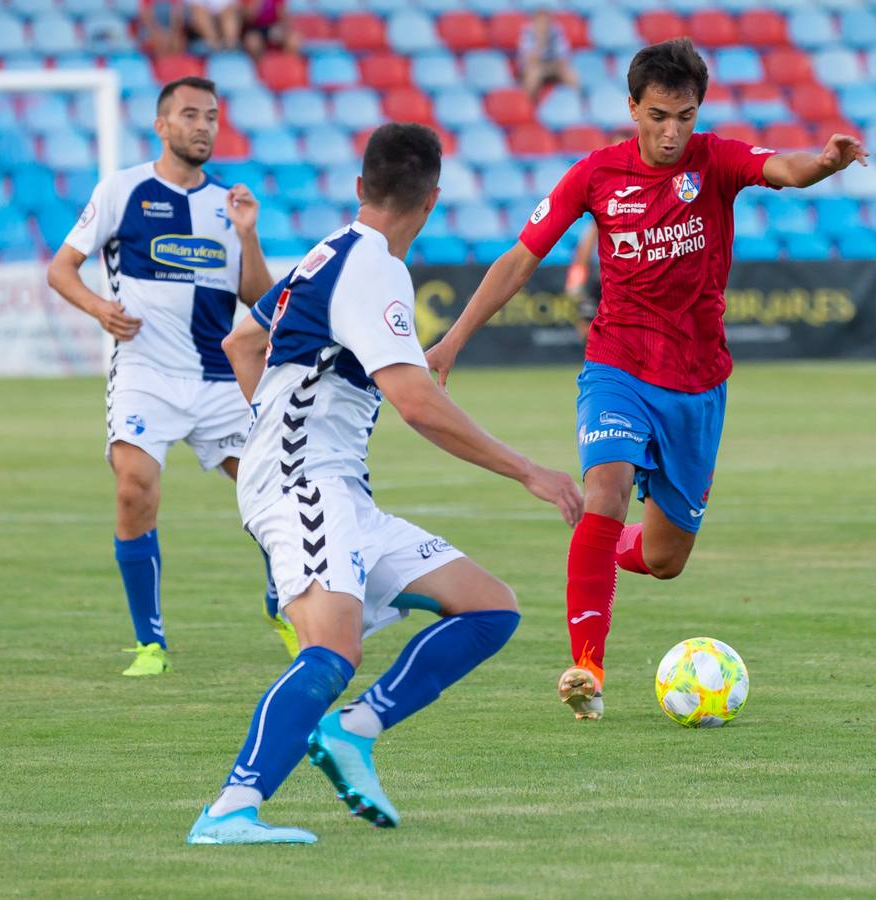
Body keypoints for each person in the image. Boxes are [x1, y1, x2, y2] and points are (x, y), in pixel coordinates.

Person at [421, 39, 869, 721]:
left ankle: (606, 547)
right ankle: (586, 667)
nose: (670, 133)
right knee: (606, 486)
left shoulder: (713, 160)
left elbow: (785, 165)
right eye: (658, 115)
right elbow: (520, 257)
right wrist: (451, 341)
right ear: (631, 107)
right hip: (617, 366)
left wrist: (827, 163)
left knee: (663, 558)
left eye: (683, 117)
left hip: (697, 385)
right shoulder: (596, 175)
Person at [186, 123, 583, 845]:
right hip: (307, 482)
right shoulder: (374, 270)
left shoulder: (326, 254)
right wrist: (530, 470)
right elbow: (415, 402)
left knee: (489, 608)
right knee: (333, 652)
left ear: (361, 186)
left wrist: (270, 427)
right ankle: (229, 812)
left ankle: (351, 732)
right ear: (431, 201)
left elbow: (242, 341)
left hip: (332, 487)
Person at [45, 76, 290, 676]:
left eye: (211, 115)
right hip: (145, 373)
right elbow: (62, 269)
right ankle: (150, 644)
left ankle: (281, 604)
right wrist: (100, 308)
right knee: (134, 485)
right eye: (189, 115)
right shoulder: (122, 189)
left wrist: (248, 235)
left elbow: (258, 298)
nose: (203, 125)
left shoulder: (228, 204)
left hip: (219, 380)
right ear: (162, 125)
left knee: (274, 494)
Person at [519, 10, 578, 101]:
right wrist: (540, 42)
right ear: (534, 22)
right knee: (533, 75)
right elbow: (530, 60)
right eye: (540, 22)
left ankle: (575, 102)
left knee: (571, 75)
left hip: (554, 65)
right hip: (535, 66)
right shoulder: (527, 32)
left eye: (546, 22)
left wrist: (558, 65)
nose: (543, 25)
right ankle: (532, 105)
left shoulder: (556, 31)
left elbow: (563, 57)